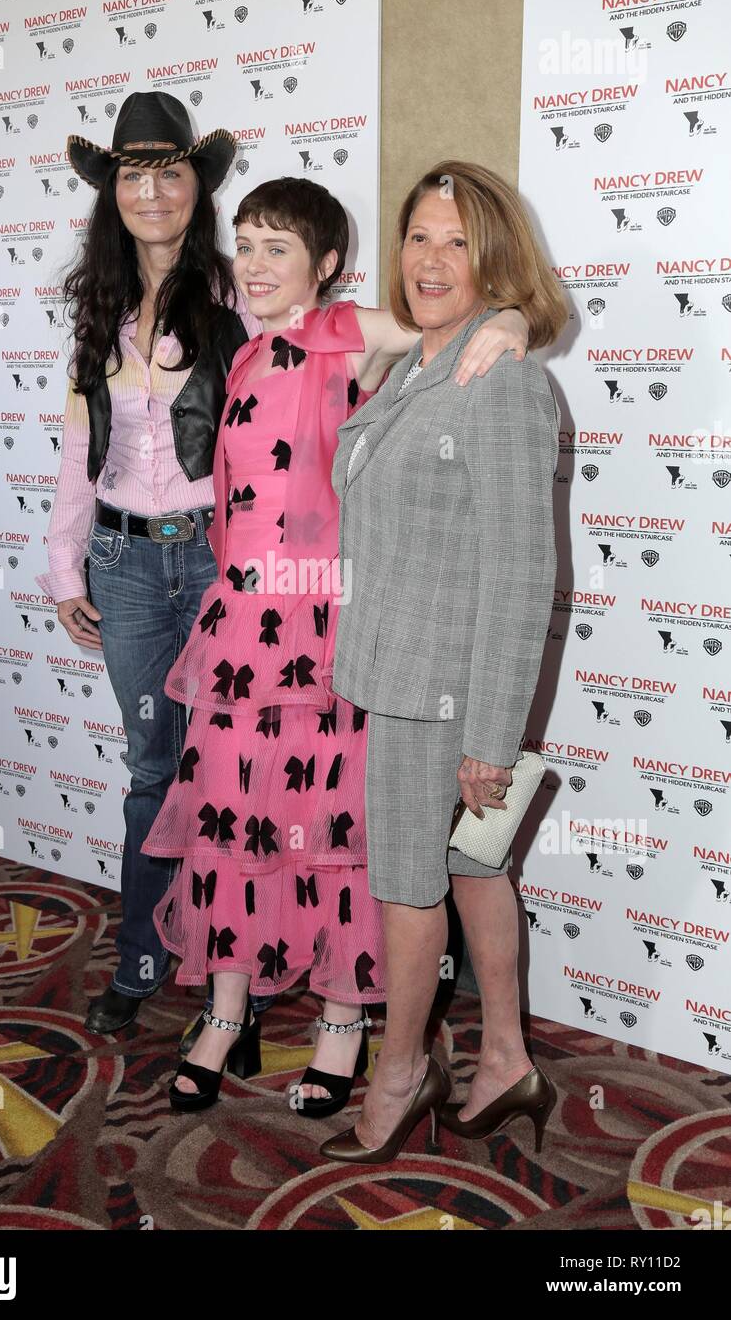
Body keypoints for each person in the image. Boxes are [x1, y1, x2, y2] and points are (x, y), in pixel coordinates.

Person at [139, 177, 531, 1114]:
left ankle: (345, 1025)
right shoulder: (241, 356)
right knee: (231, 821)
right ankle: (227, 1014)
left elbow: (469, 309)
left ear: (326, 264)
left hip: (323, 631)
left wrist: (511, 322)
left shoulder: (345, 332)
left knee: (336, 837)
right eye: (246, 243)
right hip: (240, 630)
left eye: (279, 246)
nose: (257, 263)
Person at [321, 161, 568, 1162]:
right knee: (473, 866)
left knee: (410, 885)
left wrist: (488, 739)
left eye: (457, 241)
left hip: (439, 689)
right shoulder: (428, 355)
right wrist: (504, 316)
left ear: (494, 256)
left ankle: (398, 1073)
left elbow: (519, 572)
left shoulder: (497, 377)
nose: (429, 259)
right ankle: (504, 1057)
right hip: (405, 668)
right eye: (418, 235)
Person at [37, 91, 275, 1039]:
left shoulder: (235, 293)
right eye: (133, 174)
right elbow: (76, 446)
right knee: (149, 770)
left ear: (196, 186)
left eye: (169, 171)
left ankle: (236, 983)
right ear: (113, 193)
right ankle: (143, 954)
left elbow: (278, 423)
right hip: (125, 567)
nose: (151, 190)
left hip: (217, 564)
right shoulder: (95, 302)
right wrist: (65, 567)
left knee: (230, 769)